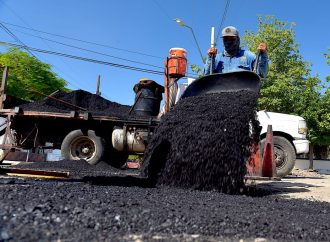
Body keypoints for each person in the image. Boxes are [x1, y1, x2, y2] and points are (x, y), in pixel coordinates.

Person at [203, 26, 268, 78]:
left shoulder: (249, 56)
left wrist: (263, 54)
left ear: (238, 39)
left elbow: (262, 74)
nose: (229, 41)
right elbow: (206, 77)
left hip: (245, 93)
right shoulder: (216, 58)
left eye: (232, 39)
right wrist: (209, 58)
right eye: (226, 39)